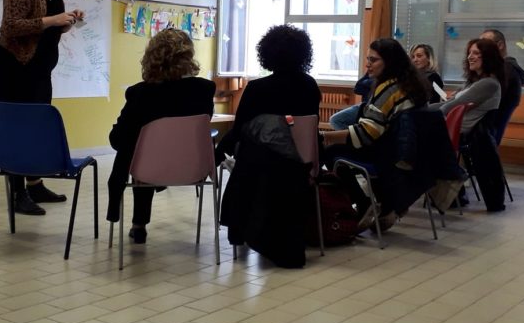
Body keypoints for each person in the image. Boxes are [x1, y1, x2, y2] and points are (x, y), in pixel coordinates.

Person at [0, 0, 84, 216]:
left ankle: (35, 184)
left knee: (36, 126)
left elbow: (47, 30)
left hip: (38, 69)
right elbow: (10, 26)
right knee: (17, 127)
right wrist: (53, 20)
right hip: (12, 64)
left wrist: (68, 21)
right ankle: (18, 193)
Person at [107, 29, 215, 244]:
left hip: (148, 170)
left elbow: (117, 140)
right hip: (192, 168)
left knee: (139, 151)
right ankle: (139, 223)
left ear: (151, 57)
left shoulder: (140, 93)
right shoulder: (204, 89)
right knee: (146, 150)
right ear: (188, 56)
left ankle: (139, 225)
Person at [322, 38, 429, 230]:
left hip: (388, 155)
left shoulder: (389, 89)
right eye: (367, 59)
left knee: (331, 152)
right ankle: (387, 205)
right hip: (405, 152)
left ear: (389, 62)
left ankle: (363, 203)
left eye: (373, 60)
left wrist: (325, 137)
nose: (367, 64)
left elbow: (366, 134)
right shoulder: (409, 84)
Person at [214, 24, 322, 162]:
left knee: (233, 137)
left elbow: (239, 130)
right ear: (303, 54)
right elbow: (311, 126)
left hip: (261, 162)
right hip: (302, 160)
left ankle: (209, 166)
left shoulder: (256, 88)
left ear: (267, 54)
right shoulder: (310, 85)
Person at [432, 38, 505, 135]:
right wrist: (420, 108)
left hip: (458, 134)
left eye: (476, 53)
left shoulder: (489, 83)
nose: (469, 57)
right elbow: (448, 103)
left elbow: (451, 106)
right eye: (469, 53)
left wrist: (422, 113)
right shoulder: (472, 82)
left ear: (488, 56)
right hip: (450, 129)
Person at [480, 29, 524, 143]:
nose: (480, 49)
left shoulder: (506, 71)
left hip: (487, 133)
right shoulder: (499, 70)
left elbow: (487, 99)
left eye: (485, 44)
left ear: (500, 45)